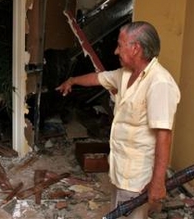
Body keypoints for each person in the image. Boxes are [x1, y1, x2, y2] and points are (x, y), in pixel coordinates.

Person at [56, 21, 180, 218]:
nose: (115, 51)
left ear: (136, 48)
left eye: (120, 45)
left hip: (137, 177)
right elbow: (97, 78)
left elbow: (164, 135)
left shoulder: (159, 83)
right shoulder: (125, 75)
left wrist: (157, 183)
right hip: (119, 169)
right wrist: (72, 80)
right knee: (117, 213)